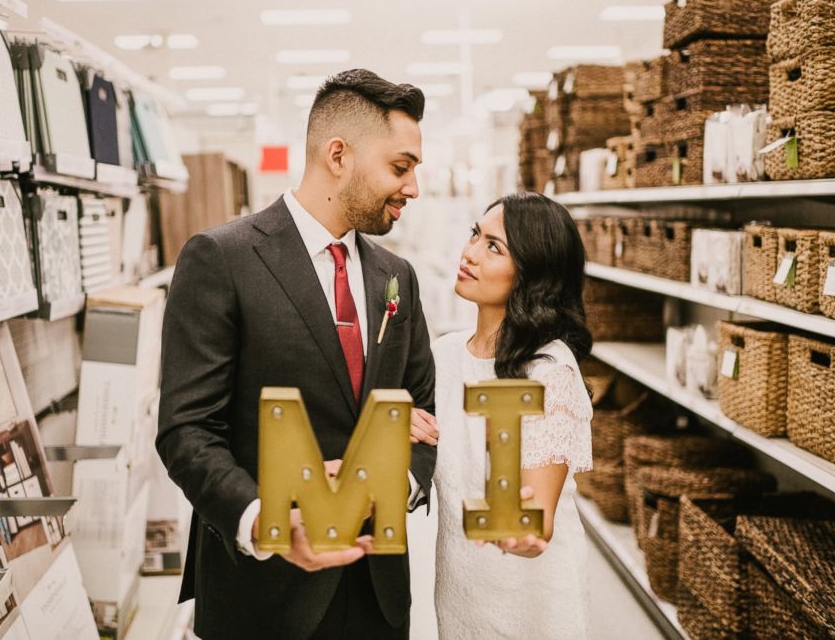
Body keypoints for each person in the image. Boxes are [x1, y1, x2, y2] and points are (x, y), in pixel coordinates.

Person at [156, 69, 438, 639]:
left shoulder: (396, 278)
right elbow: (187, 431)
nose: (412, 189)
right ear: (339, 155)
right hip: (263, 593)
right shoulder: (222, 259)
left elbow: (423, 413)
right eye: (400, 168)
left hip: (377, 593)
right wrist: (269, 522)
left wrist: (389, 485)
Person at [411, 192, 594, 639]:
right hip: (461, 587)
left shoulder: (549, 372)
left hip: (530, 601)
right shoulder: (444, 354)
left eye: (494, 247)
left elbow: (535, 517)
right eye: (476, 234)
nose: (469, 252)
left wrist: (523, 531)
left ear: (533, 277)